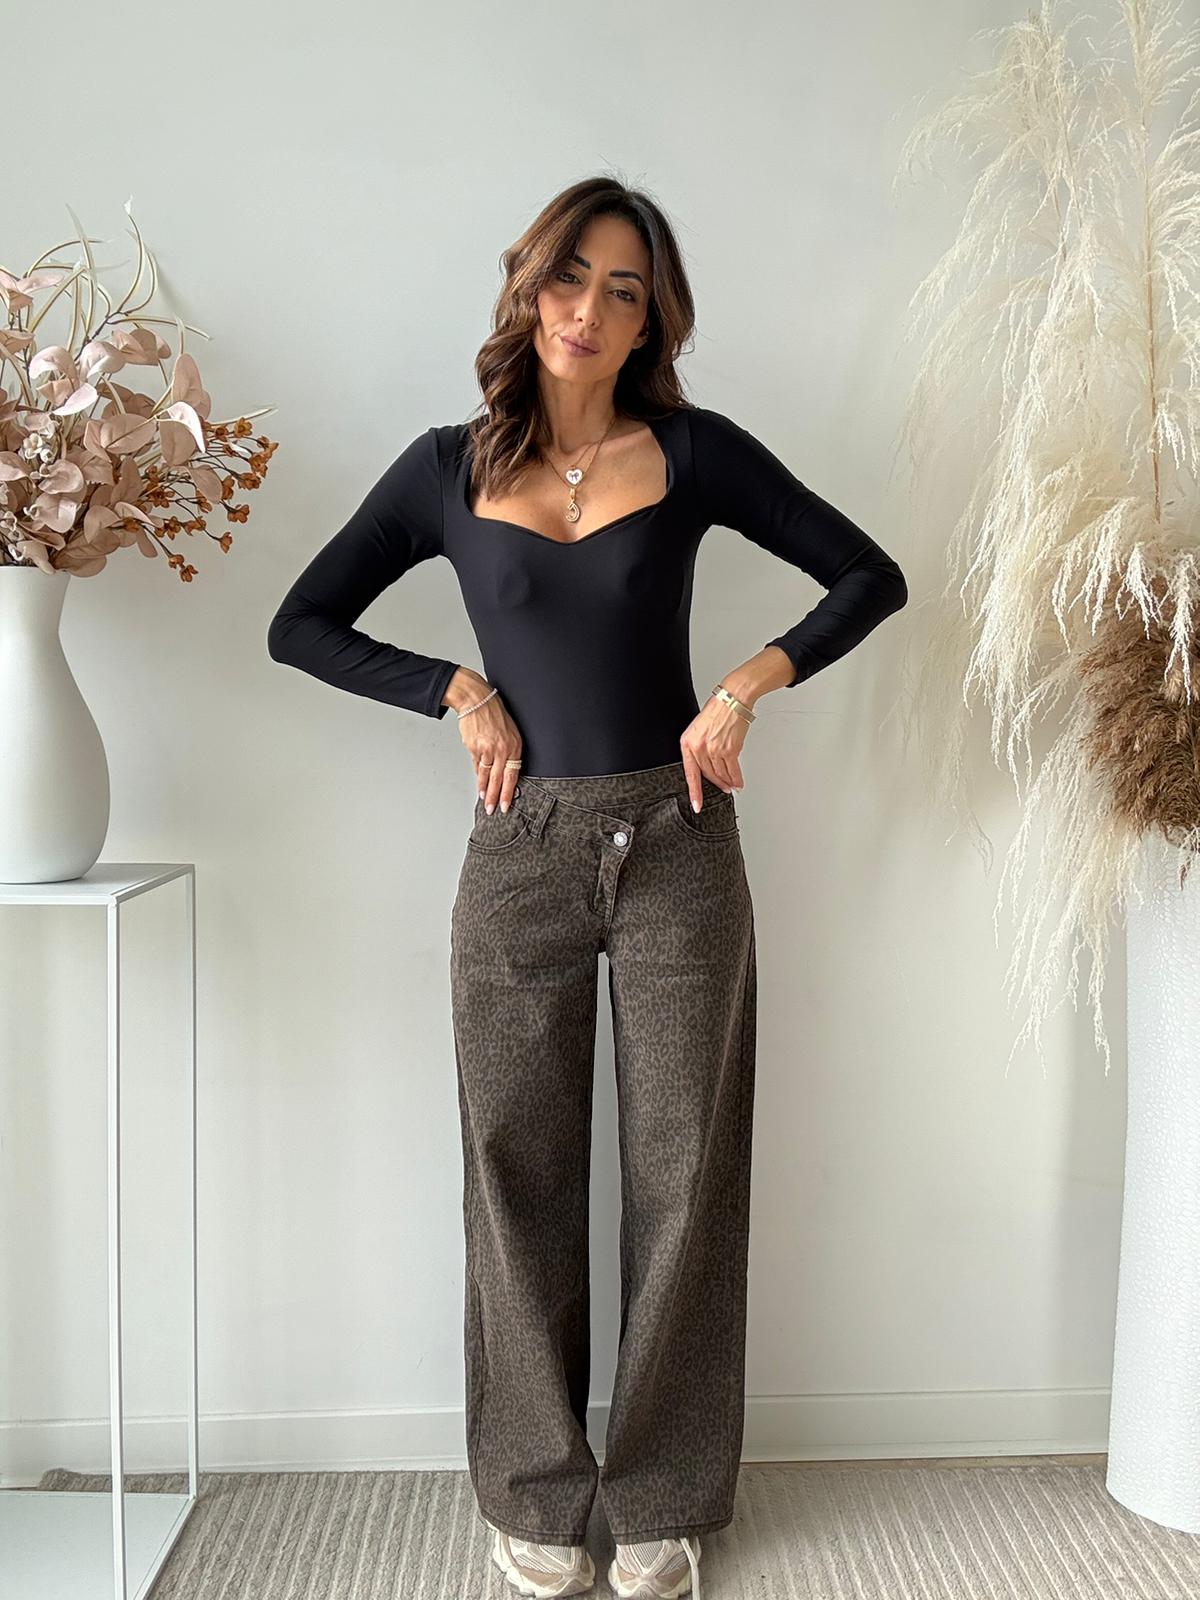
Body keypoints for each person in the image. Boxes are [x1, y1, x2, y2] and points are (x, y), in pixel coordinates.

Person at [267, 175, 907, 1600]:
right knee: (515, 1173)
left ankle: (667, 1494)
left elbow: (870, 576)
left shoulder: (693, 452)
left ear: (650, 319)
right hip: (521, 852)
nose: (591, 310)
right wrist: (453, 689)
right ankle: (536, 1492)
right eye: (571, 278)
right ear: (528, 287)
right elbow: (299, 623)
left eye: (625, 290)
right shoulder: (444, 469)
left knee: (685, 1175)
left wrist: (744, 686)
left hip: (679, 841)